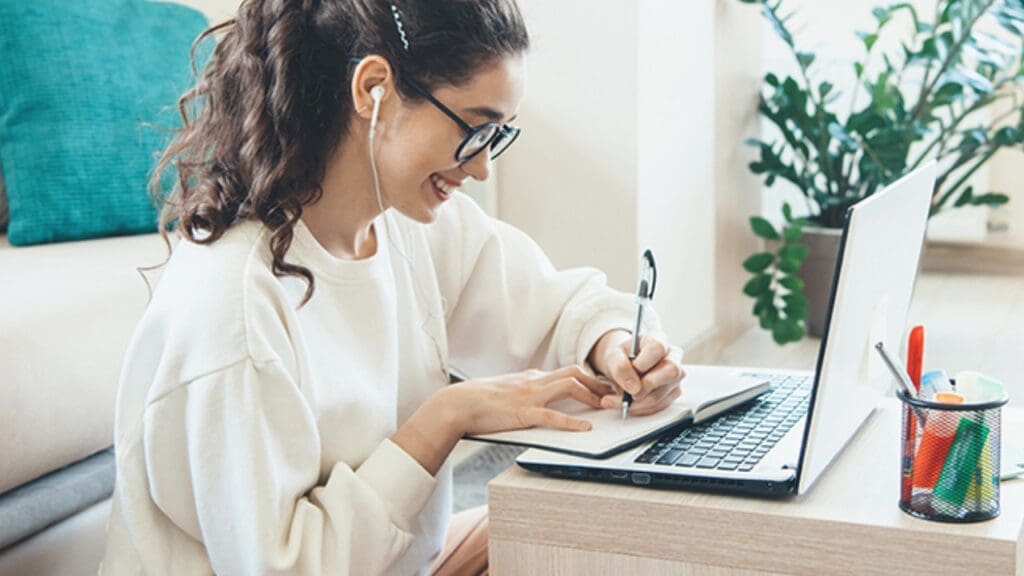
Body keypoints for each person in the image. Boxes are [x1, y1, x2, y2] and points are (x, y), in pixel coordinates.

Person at [100, 0, 685, 574]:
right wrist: (443, 419)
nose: (481, 166)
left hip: (398, 563)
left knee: (595, 530)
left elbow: (553, 307)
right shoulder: (233, 310)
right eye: (475, 129)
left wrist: (614, 343)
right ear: (372, 88)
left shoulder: (404, 222)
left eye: (497, 136)